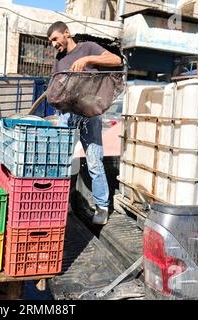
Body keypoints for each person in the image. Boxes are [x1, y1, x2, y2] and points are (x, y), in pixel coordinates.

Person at [47, 21, 122, 225]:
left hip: (90, 114)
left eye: (55, 39)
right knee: (61, 161)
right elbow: (56, 85)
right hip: (67, 115)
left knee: (94, 161)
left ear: (67, 33)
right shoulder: (59, 59)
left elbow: (115, 60)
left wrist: (88, 59)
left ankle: (101, 208)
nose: (54, 44)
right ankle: (62, 204)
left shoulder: (87, 48)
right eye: (51, 41)